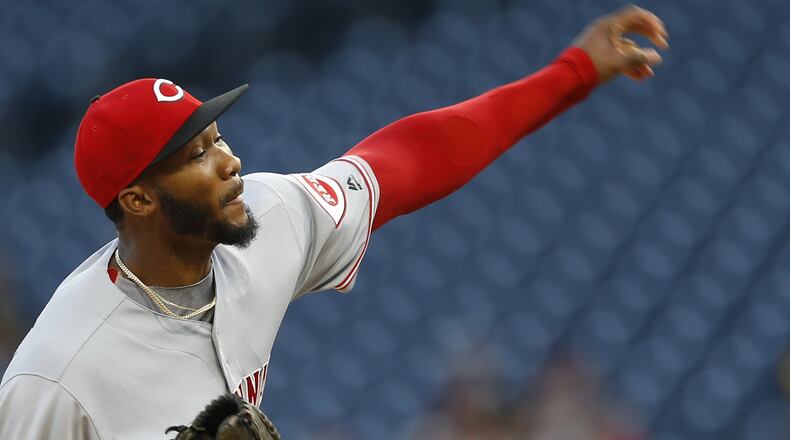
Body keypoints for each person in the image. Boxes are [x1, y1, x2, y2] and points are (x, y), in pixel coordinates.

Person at [0, 5, 667, 439]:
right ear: (139, 199)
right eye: (197, 156)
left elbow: (407, 159)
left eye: (219, 136)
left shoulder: (267, 218)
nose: (230, 161)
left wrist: (572, 73)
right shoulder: (57, 377)